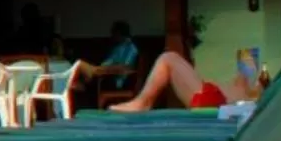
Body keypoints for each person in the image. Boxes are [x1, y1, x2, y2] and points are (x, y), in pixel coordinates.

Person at [106, 50, 258, 112]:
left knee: (168, 58)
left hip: (213, 100)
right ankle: (142, 102)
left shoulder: (251, 91)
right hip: (217, 98)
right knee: (243, 73)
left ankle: (142, 102)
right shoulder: (244, 89)